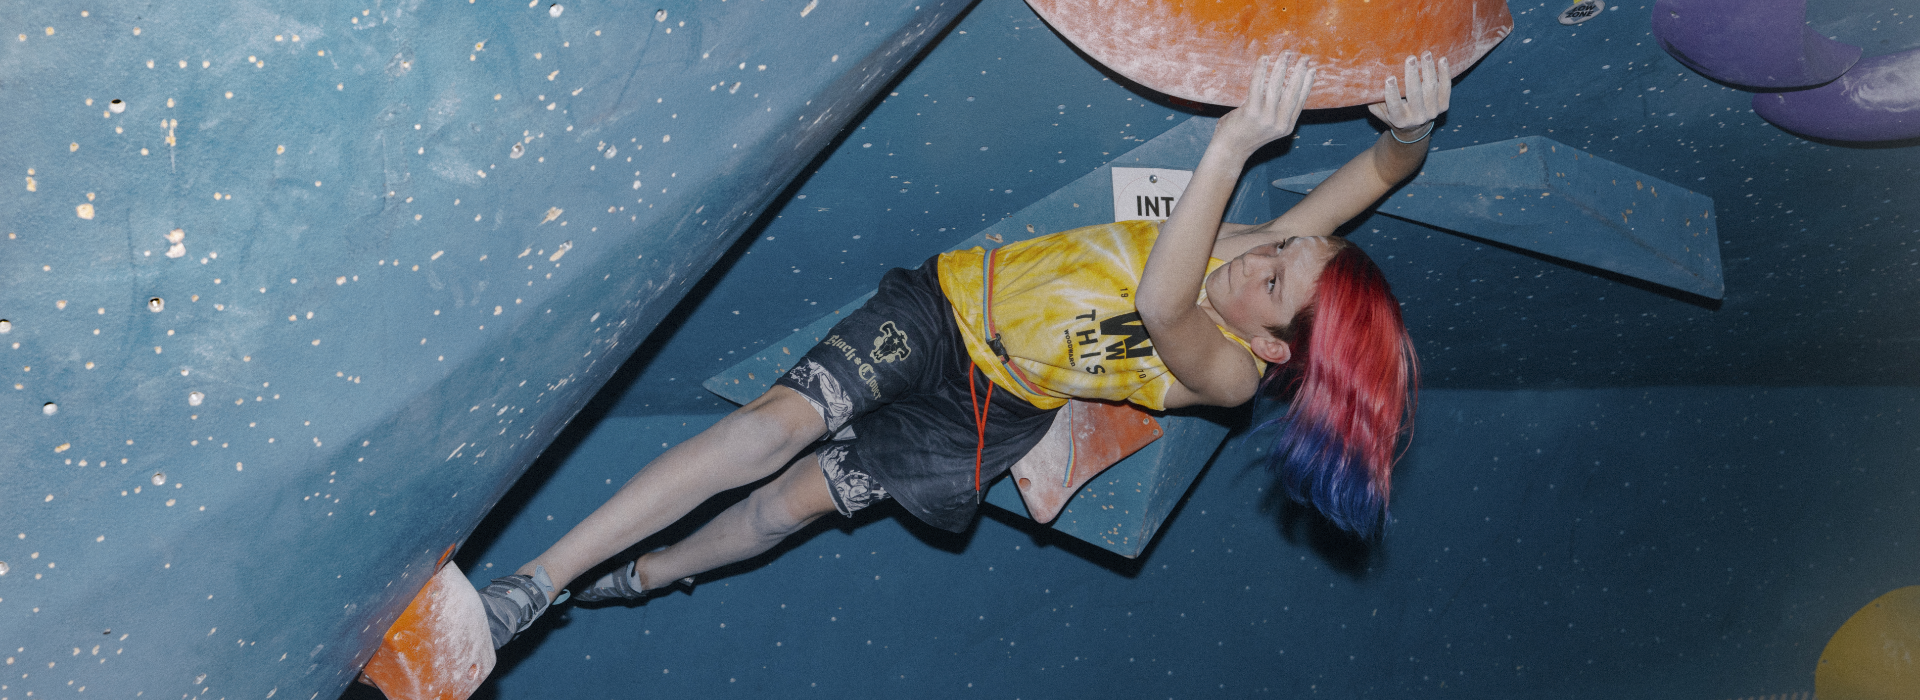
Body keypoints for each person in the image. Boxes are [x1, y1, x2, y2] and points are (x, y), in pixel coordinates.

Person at [479, 52, 1449, 650]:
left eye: (1274, 281)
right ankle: (537, 583)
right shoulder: (1262, 256)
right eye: (1283, 247)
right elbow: (1379, 170)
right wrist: (1411, 132)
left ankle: (653, 573)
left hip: (990, 416)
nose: (1262, 256)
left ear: (1274, 348)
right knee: (770, 431)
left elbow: (1162, 303)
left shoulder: (1232, 371)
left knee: (788, 505)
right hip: (948, 311)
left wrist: (1230, 149)